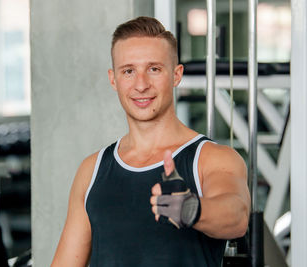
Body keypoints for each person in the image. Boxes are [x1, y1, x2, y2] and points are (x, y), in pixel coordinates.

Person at [51, 16, 250, 267]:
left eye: (154, 69)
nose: (141, 85)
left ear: (176, 75)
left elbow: (236, 216)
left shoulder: (212, 158)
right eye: (129, 71)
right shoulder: (92, 170)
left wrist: (191, 209)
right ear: (113, 79)